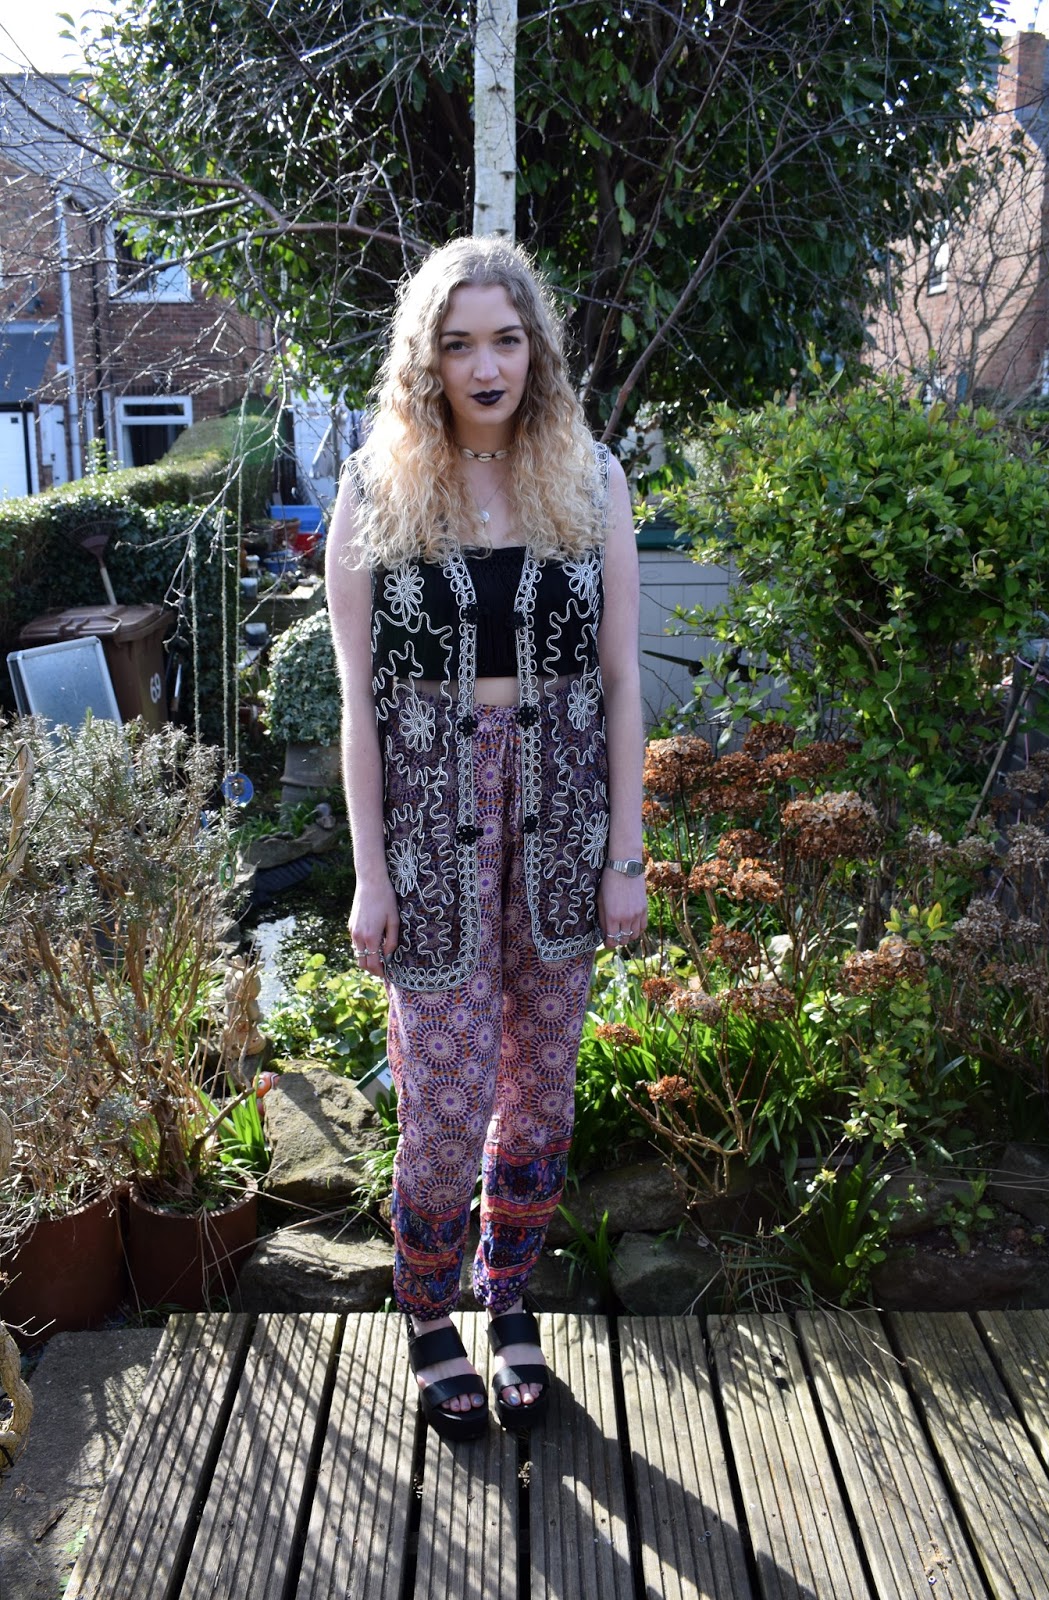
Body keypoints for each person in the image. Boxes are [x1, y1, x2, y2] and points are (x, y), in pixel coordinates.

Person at [326, 235, 647, 1442]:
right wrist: (368, 874)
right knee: (449, 1101)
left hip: (562, 824)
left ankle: (506, 1294)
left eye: (505, 339)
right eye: (458, 343)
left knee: (542, 1092)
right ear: (428, 358)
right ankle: (425, 1308)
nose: (485, 364)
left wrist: (625, 853)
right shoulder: (376, 488)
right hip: (427, 837)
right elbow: (358, 705)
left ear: (534, 349)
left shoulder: (591, 479)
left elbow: (622, 683)